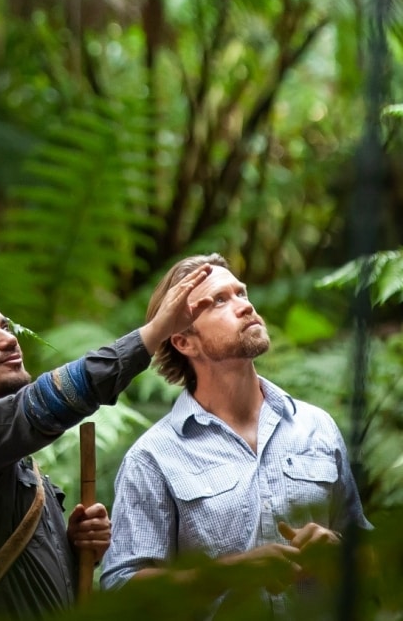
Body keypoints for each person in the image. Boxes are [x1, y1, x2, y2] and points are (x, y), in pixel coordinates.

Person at [0, 260, 215, 621]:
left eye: (5, 327)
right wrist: (152, 334)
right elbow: (45, 403)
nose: (8, 339)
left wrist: (70, 548)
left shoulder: (1, 451)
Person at [100, 253, 371, 612]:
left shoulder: (316, 428)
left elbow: (373, 559)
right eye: (219, 301)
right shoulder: (153, 458)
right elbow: (121, 590)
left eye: (241, 293)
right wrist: (227, 574)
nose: (245, 306)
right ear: (184, 342)